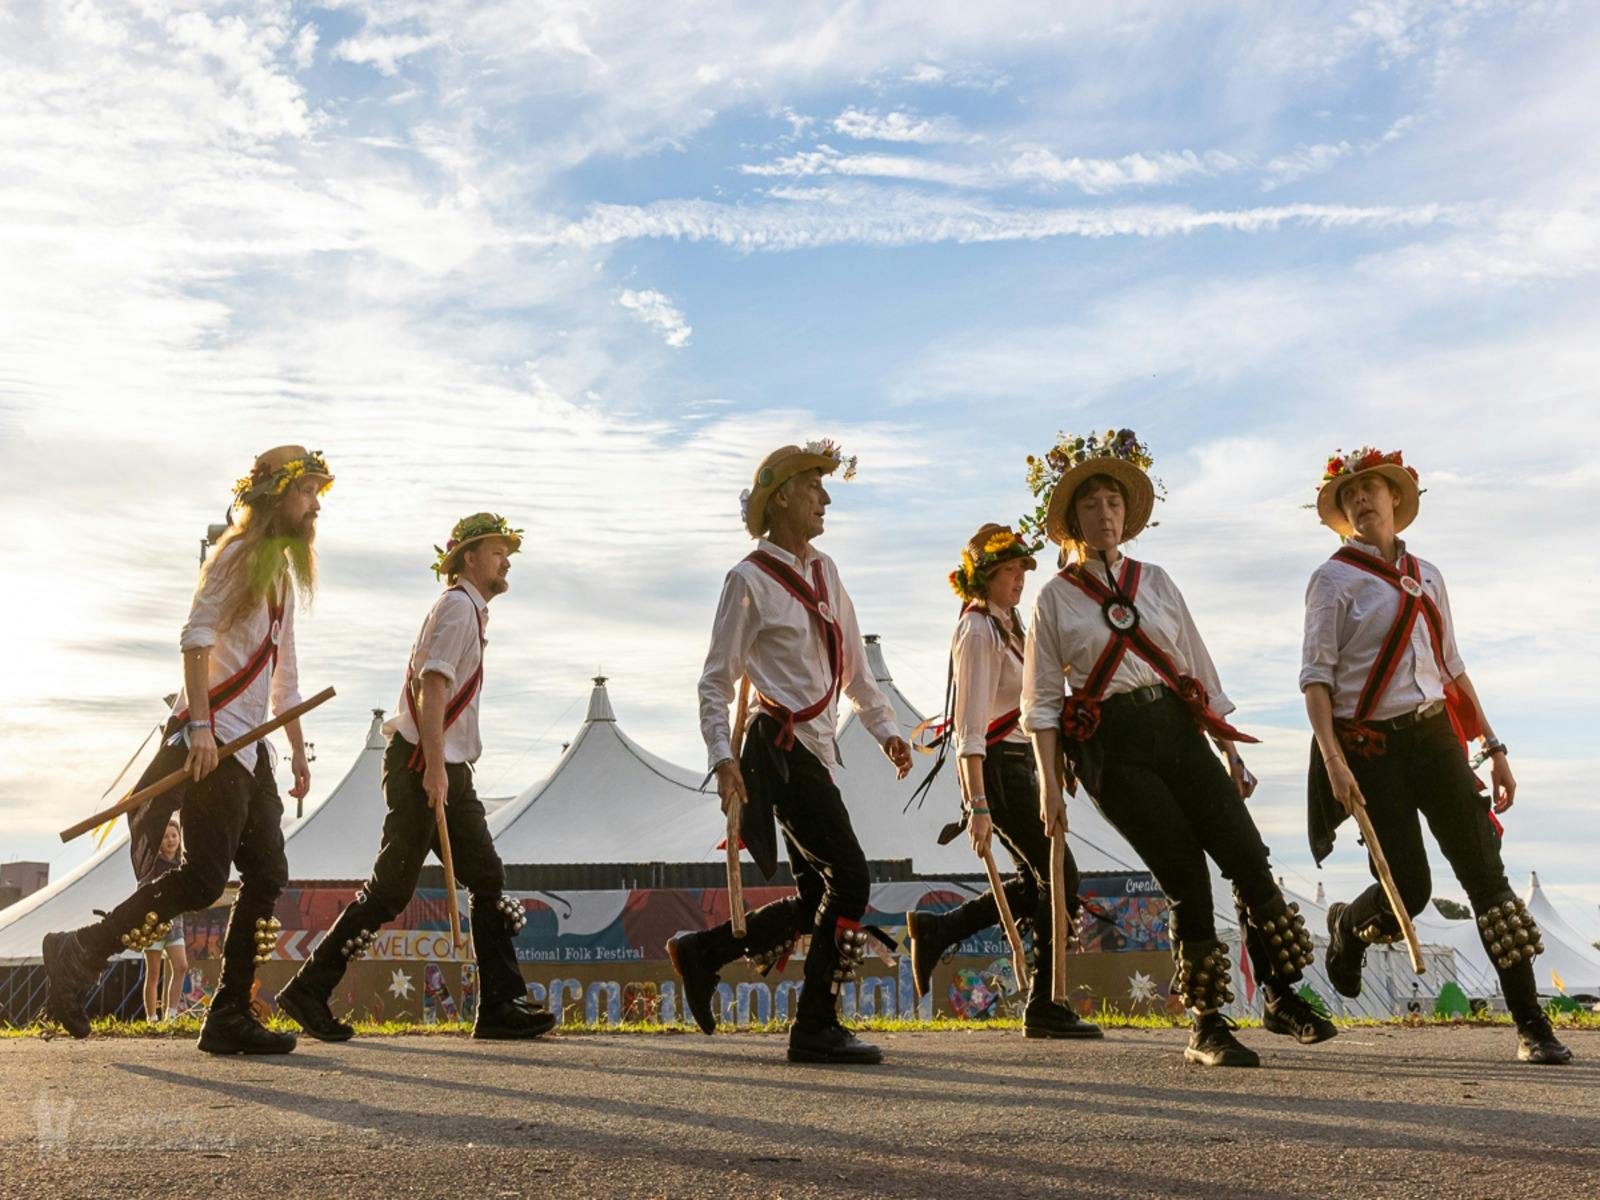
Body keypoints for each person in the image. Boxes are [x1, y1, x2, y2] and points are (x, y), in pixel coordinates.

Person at [1021, 429, 1334, 1067]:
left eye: (1114, 503)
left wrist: (1230, 748)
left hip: (1179, 730)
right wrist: (1050, 788)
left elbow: (1197, 667)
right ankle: (1207, 1026)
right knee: (1187, 876)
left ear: (1126, 515)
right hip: (1114, 746)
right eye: (1091, 506)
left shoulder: (1157, 580)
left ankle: (1280, 995)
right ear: (1072, 521)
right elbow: (1042, 704)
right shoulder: (1054, 598)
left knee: (1249, 857)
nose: (1105, 515)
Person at [43, 445, 329, 1054]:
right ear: (278, 496)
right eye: (308, 493)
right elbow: (195, 637)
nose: (315, 507)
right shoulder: (237, 556)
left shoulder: (280, 570)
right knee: (202, 881)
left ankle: (228, 1013)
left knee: (266, 872)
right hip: (215, 743)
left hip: (251, 753)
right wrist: (200, 727)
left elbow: (286, 678)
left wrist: (299, 752)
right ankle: (80, 953)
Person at [1302, 447, 1570, 1064]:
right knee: (1412, 891)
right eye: (1350, 495)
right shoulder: (1332, 579)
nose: (1362, 499)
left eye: (1372, 489)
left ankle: (1532, 1025)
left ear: (1396, 499)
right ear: (1343, 513)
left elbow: (1452, 669)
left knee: (1488, 879)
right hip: (1371, 750)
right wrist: (1334, 761)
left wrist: (1492, 744)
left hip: (1436, 738)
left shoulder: (1430, 575)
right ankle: (1347, 925)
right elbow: (1315, 679)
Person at [675, 441, 913, 1064]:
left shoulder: (827, 572)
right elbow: (716, 680)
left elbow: (854, 666)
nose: (826, 499)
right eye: (814, 487)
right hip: (774, 748)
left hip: (818, 746)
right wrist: (720, 759)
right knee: (851, 878)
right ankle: (814, 1025)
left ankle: (704, 952)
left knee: (818, 896)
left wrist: (885, 728)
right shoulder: (747, 579)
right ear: (781, 496)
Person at [278, 513, 554, 1043]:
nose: (507, 560)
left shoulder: (468, 612)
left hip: (445, 766)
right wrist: (432, 766)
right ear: (470, 557)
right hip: (423, 765)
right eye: (499, 551)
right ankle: (308, 989)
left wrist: (442, 766)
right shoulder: (456, 608)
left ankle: (499, 1003)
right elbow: (432, 686)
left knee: (487, 880)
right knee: (389, 892)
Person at [903, 523, 1101, 1039]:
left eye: (1021, 571)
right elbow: (968, 729)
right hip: (994, 768)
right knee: (1062, 878)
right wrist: (977, 805)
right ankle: (1044, 1004)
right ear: (984, 577)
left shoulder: (1012, 627)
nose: (1019, 579)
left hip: (1021, 765)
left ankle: (943, 930)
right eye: (1010, 571)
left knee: (1046, 878)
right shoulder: (976, 631)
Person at [140, 819, 189, 1022]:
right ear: (159, 842)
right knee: (154, 973)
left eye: (174, 836)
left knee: (181, 966)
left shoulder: (183, 866)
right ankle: (152, 1018)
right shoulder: (152, 866)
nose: (170, 840)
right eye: (166, 837)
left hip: (175, 924)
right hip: (154, 926)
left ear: (179, 839)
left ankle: (171, 1015)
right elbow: (142, 891)